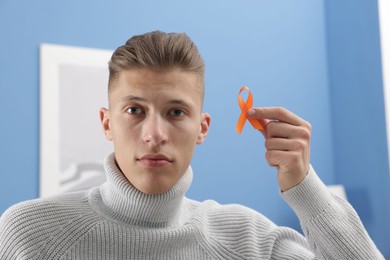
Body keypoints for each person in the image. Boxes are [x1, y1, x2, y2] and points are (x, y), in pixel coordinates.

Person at [0, 31, 384, 260]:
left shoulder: (249, 240)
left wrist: (305, 187)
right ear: (107, 123)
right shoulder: (31, 234)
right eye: (134, 109)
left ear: (202, 128)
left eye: (176, 112)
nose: (154, 134)